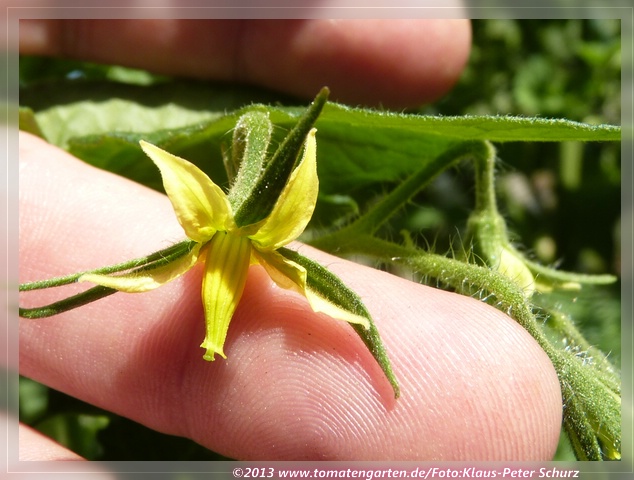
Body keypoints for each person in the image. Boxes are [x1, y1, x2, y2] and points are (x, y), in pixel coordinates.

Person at [18, 19, 563, 461]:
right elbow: (118, 275)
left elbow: (335, 304)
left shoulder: (228, 236)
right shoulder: (253, 239)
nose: (218, 304)